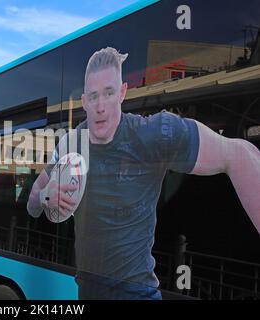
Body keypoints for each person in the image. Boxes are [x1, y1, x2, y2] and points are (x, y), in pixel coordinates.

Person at [27, 47, 260, 300]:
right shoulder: (71, 143)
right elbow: (33, 203)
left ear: (122, 93)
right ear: (84, 101)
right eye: (93, 97)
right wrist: (44, 196)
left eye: (109, 93)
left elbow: (239, 153)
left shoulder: (153, 133)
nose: (101, 106)